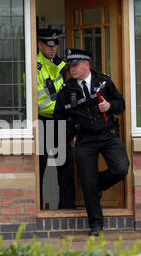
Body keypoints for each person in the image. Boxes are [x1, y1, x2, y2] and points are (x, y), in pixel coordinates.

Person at [54, 48, 130, 236]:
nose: (72, 69)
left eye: (76, 65)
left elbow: (121, 104)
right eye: (70, 66)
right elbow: (58, 118)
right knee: (87, 181)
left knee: (121, 168)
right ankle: (96, 224)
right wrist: (72, 133)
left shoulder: (104, 82)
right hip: (85, 139)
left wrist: (110, 106)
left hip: (108, 135)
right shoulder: (66, 90)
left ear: (87, 65)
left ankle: (98, 185)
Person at [36, 28, 75, 210]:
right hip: (42, 122)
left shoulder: (60, 65)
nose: (53, 49)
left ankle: (67, 209)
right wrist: (65, 110)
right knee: (39, 169)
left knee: (66, 169)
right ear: (40, 45)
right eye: (49, 45)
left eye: (55, 45)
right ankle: (38, 210)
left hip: (59, 122)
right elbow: (39, 101)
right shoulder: (35, 66)